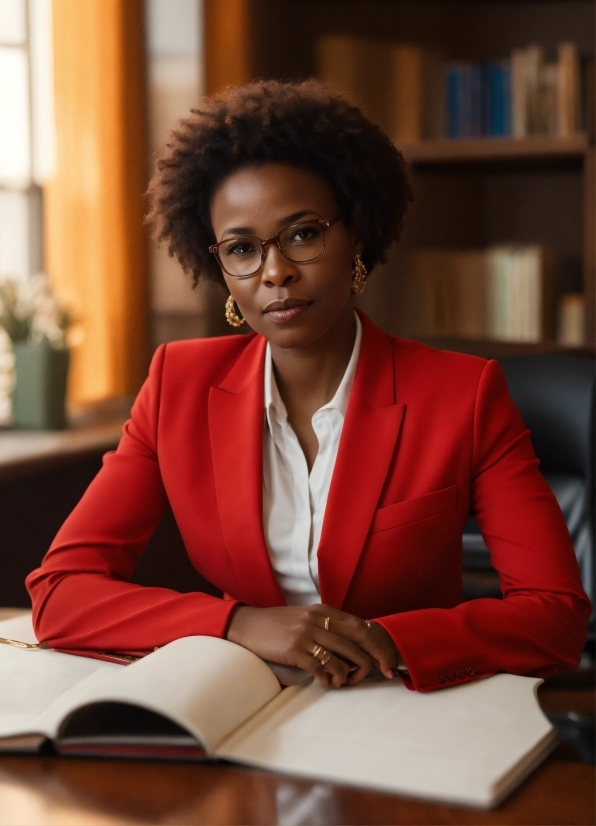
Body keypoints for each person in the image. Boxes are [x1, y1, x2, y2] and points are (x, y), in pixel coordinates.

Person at [26, 80, 591, 692]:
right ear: (218, 266)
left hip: (403, 706)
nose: (275, 272)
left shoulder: (465, 394)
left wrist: (386, 641)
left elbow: (555, 616)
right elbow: (60, 594)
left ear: (358, 237)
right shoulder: (177, 386)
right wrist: (239, 623)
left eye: (303, 233)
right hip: (247, 706)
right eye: (242, 248)